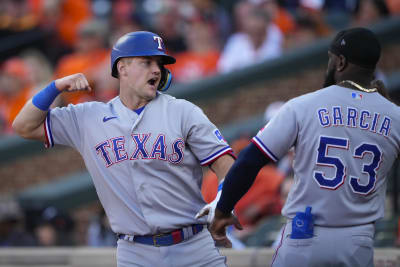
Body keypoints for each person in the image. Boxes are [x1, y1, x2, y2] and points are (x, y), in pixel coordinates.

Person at [12, 31, 235, 266]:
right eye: (147, 62)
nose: (157, 70)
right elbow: (23, 126)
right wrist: (55, 87)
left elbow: (226, 165)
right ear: (122, 68)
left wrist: (223, 202)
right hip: (134, 252)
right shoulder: (88, 118)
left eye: (159, 64)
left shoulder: (183, 112)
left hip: (192, 246)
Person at [207, 27, 399, 267]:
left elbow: (249, 161)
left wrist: (223, 210)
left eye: (330, 59)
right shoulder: (395, 116)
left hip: (305, 235)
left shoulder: (303, 106)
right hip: (357, 241)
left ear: (340, 62)